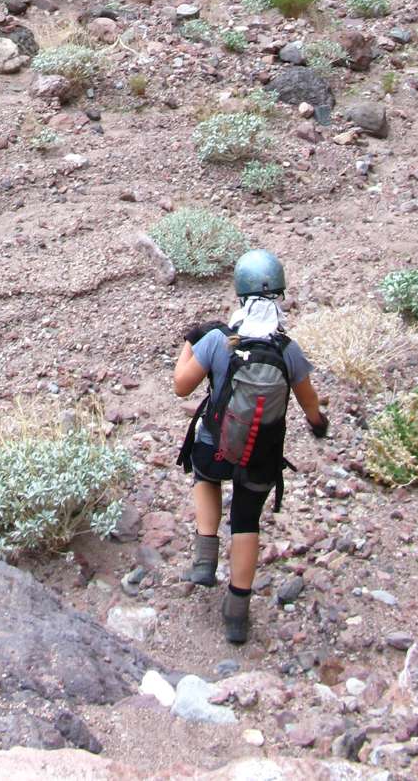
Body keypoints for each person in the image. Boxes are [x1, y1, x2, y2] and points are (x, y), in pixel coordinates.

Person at [173, 248, 328, 644]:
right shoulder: (287, 350)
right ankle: (237, 615)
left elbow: (181, 386)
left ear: (239, 295)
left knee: (205, 477)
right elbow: (309, 403)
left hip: (216, 448)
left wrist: (190, 342)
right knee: (246, 521)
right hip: (261, 453)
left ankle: (205, 556)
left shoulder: (217, 340)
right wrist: (318, 425)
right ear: (280, 295)